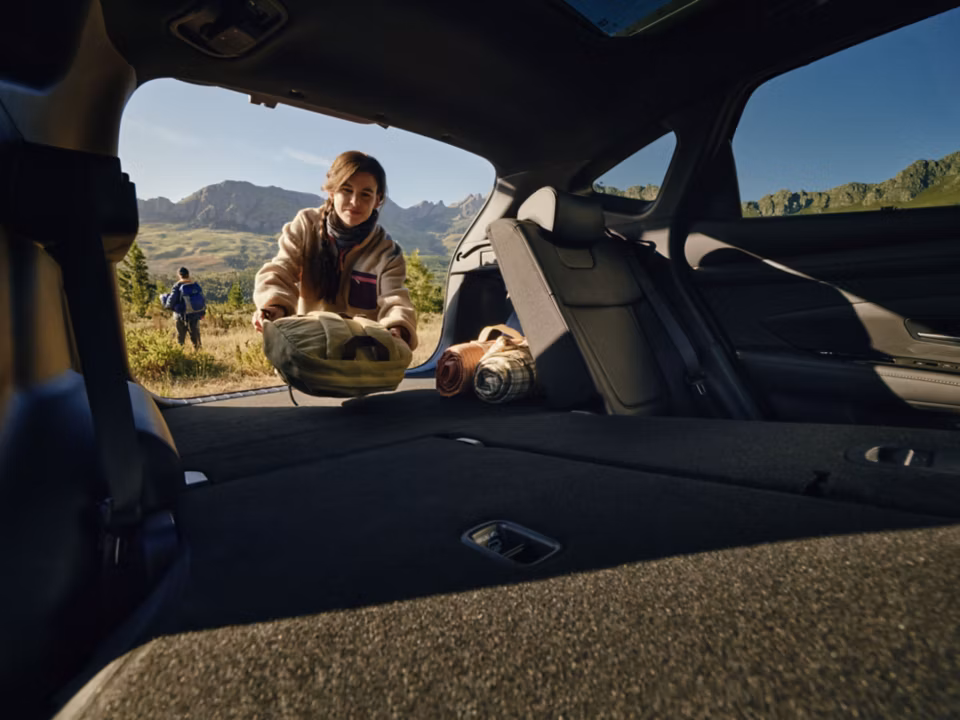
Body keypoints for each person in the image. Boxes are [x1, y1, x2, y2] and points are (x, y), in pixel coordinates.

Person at [252, 151, 418, 350]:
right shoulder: (306, 225)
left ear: (377, 200)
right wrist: (274, 306)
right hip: (308, 346)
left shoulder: (387, 252)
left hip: (361, 354)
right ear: (331, 192)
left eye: (365, 194)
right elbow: (281, 271)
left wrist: (397, 328)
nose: (355, 202)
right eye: (346, 190)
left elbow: (395, 300)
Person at [162, 266, 206, 349]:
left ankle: (181, 353)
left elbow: (171, 300)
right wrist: (202, 313)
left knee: (181, 337)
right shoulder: (195, 285)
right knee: (195, 336)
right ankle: (199, 354)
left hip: (181, 315)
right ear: (188, 274)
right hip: (194, 315)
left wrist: (166, 305)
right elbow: (202, 300)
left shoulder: (177, 285)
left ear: (179, 275)